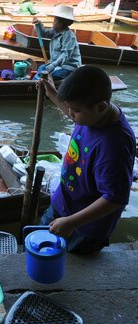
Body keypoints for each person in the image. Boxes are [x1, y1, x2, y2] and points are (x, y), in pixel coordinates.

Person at [38, 66, 136, 253]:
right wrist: (52, 94)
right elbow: (72, 109)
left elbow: (115, 198)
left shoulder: (113, 145)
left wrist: (72, 222)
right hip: (63, 203)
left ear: (101, 107)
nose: (69, 114)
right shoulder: (93, 115)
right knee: (41, 248)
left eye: (74, 111)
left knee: (69, 268)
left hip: (85, 227)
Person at [32, 5, 81, 80]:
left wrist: (53, 65)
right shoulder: (55, 31)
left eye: (54, 21)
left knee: (54, 75)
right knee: (42, 68)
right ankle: (36, 83)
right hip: (55, 64)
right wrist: (38, 24)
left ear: (61, 24)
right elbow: (44, 33)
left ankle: (40, 83)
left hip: (68, 67)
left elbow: (65, 55)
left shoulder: (69, 36)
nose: (53, 22)